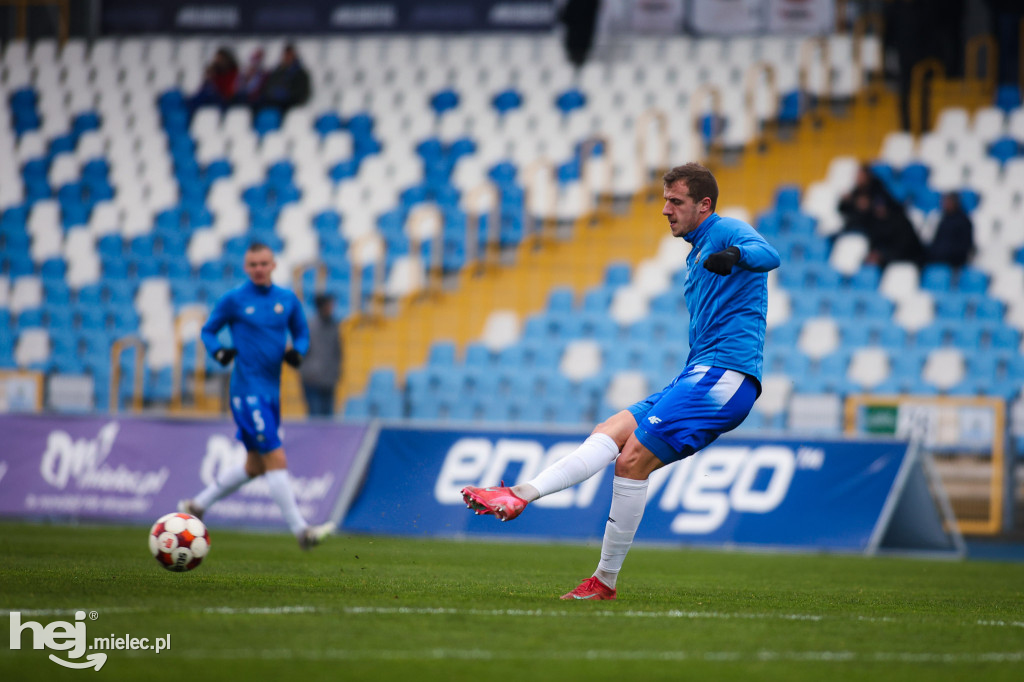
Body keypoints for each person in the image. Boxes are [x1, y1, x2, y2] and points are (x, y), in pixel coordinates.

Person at [461, 163, 781, 600]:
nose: (665, 210)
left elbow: (769, 255)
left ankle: (604, 582)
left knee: (631, 461)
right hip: (698, 371)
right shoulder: (695, 248)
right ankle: (519, 494)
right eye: (665, 200)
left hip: (727, 375)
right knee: (608, 433)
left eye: (676, 202)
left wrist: (736, 256)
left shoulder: (726, 231)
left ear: (705, 205)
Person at [178, 243, 333, 549]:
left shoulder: (286, 300)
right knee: (275, 455)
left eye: (264, 263)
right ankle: (302, 531)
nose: (259, 269)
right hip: (247, 392)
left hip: (271, 393)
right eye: (253, 264)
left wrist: (297, 353)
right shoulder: (234, 300)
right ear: (246, 268)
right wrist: (219, 351)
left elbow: (301, 333)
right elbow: (208, 330)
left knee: (255, 466)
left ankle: (197, 505)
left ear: (274, 265)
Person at [838, 164, 924, 268]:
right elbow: (843, 209)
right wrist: (847, 201)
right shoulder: (857, 192)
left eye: (860, 175)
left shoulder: (879, 190)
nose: (857, 178)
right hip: (868, 231)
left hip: (898, 254)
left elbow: (904, 247)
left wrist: (882, 256)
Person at [300, 293, 342, 417]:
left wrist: (336, 371)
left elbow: (337, 351)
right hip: (312, 380)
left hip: (329, 380)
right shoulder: (309, 327)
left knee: (328, 416)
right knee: (315, 415)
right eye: (330, 305)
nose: (332, 308)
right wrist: (307, 371)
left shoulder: (334, 326)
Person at [258, 44, 311, 115]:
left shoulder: (301, 73)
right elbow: (268, 87)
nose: (287, 57)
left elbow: (302, 92)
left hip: (291, 102)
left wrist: (288, 95)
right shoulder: (277, 71)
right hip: (275, 101)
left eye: (290, 55)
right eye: (286, 55)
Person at [926, 192, 974, 268]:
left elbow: (965, 245)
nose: (945, 204)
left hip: (953, 260)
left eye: (948, 202)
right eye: (944, 201)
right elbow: (937, 241)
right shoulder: (943, 219)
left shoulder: (963, 221)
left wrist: (944, 253)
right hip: (939, 257)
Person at [187, 46, 239, 112]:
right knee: (204, 94)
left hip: (224, 99)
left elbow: (228, 90)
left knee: (206, 94)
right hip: (213, 96)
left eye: (219, 58)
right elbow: (203, 87)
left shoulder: (232, 72)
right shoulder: (215, 71)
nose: (217, 60)